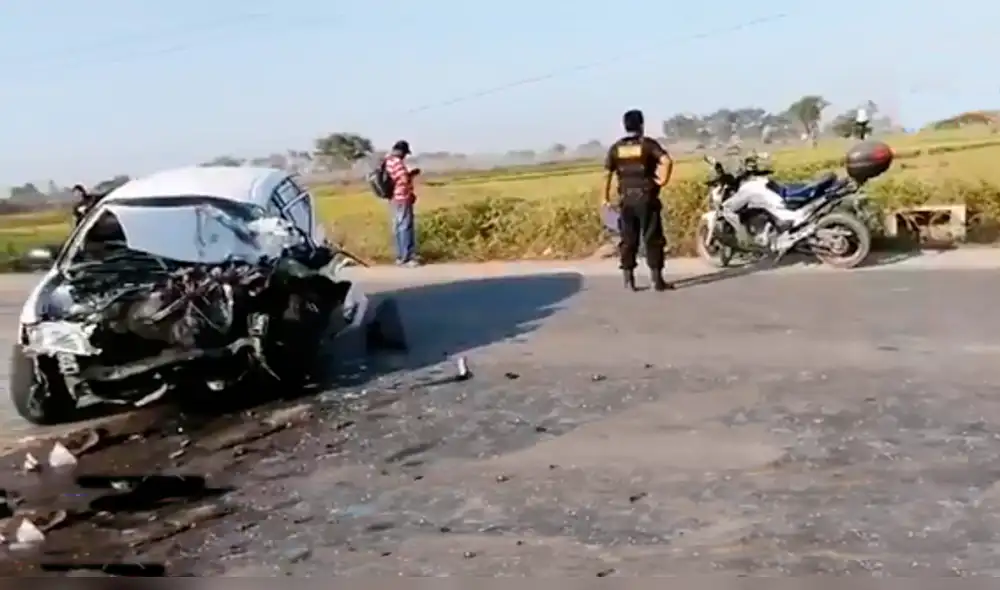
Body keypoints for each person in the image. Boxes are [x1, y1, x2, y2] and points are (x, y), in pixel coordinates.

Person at [602, 109, 674, 292]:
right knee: (652, 238)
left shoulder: (616, 148)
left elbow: (606, 174)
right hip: (647, 198)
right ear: (641, 125)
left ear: (625, 126)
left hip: (626, 201)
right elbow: (666, 161)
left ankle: (628, 281)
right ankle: (656, 281)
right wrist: (662, 180)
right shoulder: (648, 145)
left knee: (628, 239)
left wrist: (604, 197)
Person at [384, 140, 422, 267]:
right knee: (406, 226)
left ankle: (400, 257)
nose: (405, 156)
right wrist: (411, 179)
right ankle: (408, 257)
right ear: (400, 151)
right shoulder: (397, 162)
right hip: (402, 197)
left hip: (393, 198)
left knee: (399, 227)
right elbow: (404, 180)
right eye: (405, 153)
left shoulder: (387, 161)